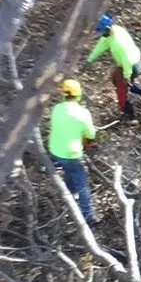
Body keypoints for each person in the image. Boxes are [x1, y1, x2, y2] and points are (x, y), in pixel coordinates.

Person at [87, 12, 141, 121]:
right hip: (129, 62)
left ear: (106, 29)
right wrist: (90, 59)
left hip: (131, 65)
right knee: (116, 80)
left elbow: (127, 59)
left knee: (121, 90)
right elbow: (102, 44)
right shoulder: (113, 31)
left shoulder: (118, 42)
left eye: (100, 31)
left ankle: (129, 113)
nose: (99, 33)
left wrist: (126, 76)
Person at [47, 78, 98, 222]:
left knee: (69, 169)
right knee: (82, 183)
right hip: (71, 154)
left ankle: (70, 192)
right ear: (79, 94)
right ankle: (88, 214)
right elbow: (91, 135)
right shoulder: (83, 113)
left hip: (54, 151)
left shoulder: (56, 108)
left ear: (63, 94)